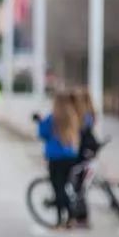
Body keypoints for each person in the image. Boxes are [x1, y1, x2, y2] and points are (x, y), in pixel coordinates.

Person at [35, 91, 81, 229]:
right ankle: (70, 218)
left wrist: (39, 122)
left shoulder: (53, 118)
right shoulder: (72, 116)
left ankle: (63, 218)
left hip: (56, 157)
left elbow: (42, 133)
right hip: (70, 156)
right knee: (65, 187)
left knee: (58, 189)